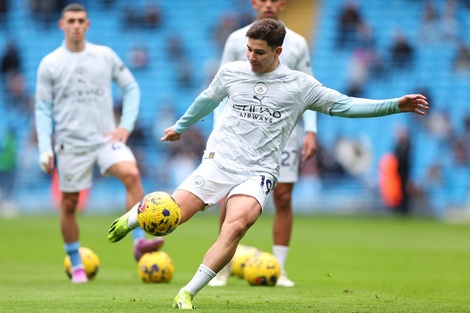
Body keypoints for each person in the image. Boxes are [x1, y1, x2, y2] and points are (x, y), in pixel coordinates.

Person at [107, 18, 428, 309]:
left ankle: (187, 293)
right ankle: (134, 217)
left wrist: (395, 105)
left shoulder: (300, 86)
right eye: (248, 49)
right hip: (219, 163)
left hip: (258, 173)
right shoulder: (232, 72)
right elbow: (207, 98)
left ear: (278, 51)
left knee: (235, 227)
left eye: (259, 52)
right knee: (172, 217)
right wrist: (180, 126)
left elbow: (345, 105)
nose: (251, 56)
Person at [34, 3, 163, 284]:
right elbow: (42, 108)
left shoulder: (104, 55)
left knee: (131, 174)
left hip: (105, 138)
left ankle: (138, 241)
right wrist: (45, 146)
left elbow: (131, 87)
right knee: (69, 204)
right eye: (71, 21)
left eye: (81, 20)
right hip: (70, 143)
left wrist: (125, 126)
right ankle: (77, 265)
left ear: (88, 25)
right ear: (62, 25)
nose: (76, 25)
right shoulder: (50, 63)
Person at [210, 0, 317, 288]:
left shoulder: (297, 43)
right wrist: (218, 130)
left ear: (282, 4)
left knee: (283, 197)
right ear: (255, 3)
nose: (268, 4)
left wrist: (311, 130)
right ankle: (222, 268)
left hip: (282, 133)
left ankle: (279, 269)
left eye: (274, 0)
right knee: (230, 197)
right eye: (263, 0)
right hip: (241, 133)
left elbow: (310, 87)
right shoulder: (237, 40)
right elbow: (220, 88)